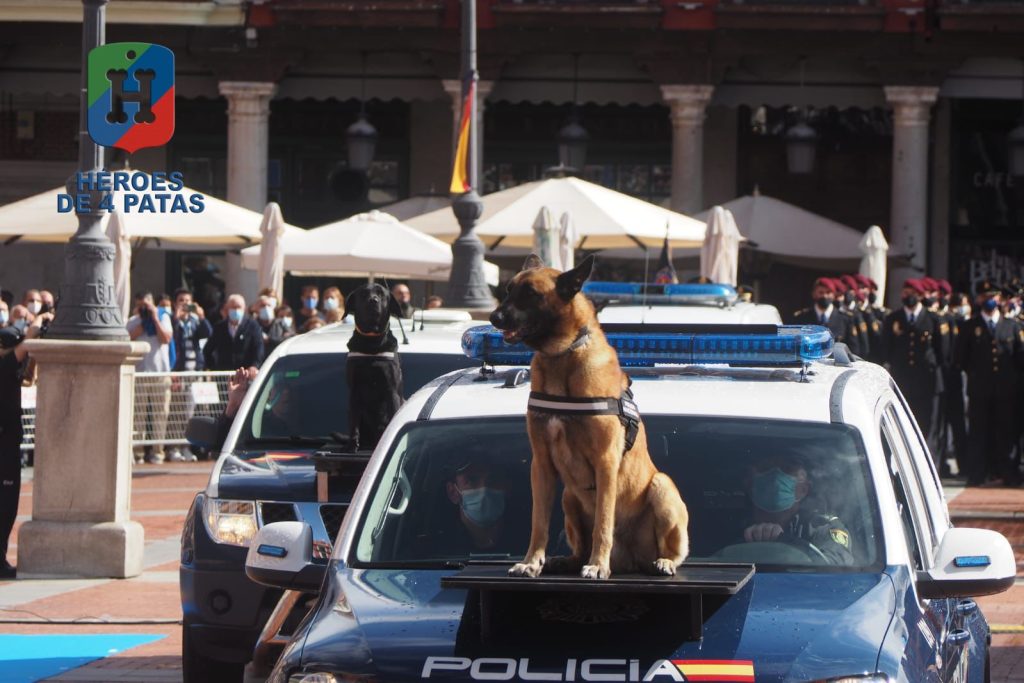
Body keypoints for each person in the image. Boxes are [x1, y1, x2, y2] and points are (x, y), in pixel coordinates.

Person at [0, 311, 52, 579]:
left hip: (9, 443)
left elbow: (28, 372)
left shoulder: (11, 369)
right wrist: (38, 321)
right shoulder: (4, 366)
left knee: (7, 506)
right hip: (4, 446)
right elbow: (24, 347)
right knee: (5, 505)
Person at [956, 286, 1024, 486]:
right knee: (979, 432)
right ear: (978, 299)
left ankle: (1007, 472)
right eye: (985, 297)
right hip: (980, 389)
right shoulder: (970, 326)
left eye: (993, 297)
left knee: (1006, 432)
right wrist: (977, 375)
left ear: (1000, 299)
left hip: (1006, 390)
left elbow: (1019, 358)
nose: (990, 300)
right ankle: (977, 473)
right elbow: (961, 358)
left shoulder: (1012, 326)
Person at [738, 455, 854, 566]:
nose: (775, 477)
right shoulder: (727, 526)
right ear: (750, 485)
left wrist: (784, 540)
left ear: (803, 490)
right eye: (766, 468)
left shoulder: (822, 527)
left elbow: (834, 567)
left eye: (787, 469)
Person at [881, 279, 949, 448]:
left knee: (926, 424)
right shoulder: (893, 318)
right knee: (901, 423)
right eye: (905, 293)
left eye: (912, 294)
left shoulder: (934, 319)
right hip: (902, 379)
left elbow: (943, 352)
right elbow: (885, 349)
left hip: (927, 380)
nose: (908, 297)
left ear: (920, 296)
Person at [127, 292, 174, 464]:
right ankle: (138, 453)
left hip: (160, 374)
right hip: (139, 374)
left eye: (146, 305)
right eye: (141, 305)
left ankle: (157, 452)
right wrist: (141, 323)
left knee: (160, 415)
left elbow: (166, 338)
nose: (144, 309)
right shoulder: (132, 321)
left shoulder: (163, 318)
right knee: (137, 416)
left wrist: (154, 318)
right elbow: (127, 340)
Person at [436, 458, 510, 554]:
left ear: (507, 487)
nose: (484, 489)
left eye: (493, 479)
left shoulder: (529, 542)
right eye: (472, 480)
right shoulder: (439, 550)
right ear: (453, 492)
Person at [790, 278, 861, 355]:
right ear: (814, 294)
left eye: (828, 292)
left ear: (834, 295)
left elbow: (854, 349)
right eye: (821, 292)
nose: (825, 296)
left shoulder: (845, 318)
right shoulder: (801, 317)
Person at [204, 294, 265, 371]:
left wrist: (254, 366)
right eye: (233, 307)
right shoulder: (219, 327)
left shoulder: (253, 326)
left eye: (238, 307)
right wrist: (213, 368)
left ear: (244, 309)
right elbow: (208, 349)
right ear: (227, 308)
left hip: (246, 374)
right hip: (225, 375)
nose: (236, 310)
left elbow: (258, 348)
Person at [172, 288, 212, 372]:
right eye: (181, 300)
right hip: (178, 369)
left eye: (187, 300)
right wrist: (176, 319)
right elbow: (172, 337)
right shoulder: (171, 321)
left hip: (196, 368)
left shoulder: (195, 321)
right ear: (175, 304)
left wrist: (202, 318)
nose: (185, 303)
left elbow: (208, 333)